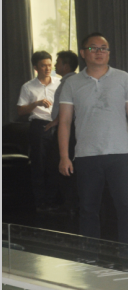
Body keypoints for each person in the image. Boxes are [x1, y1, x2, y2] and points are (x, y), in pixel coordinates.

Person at [58, 33, 128, 245]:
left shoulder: (123, 78)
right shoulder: (72, 83)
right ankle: (89, 256)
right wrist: (64, 156)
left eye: (104, 48)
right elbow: (64, 121)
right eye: (93, 48)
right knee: (87, 209)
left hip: (122, 154)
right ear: (83, 53)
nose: (99, 52)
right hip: (86, 155)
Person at [17, 51, 61, 212]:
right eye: (43, 66)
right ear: (36, 67)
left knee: (55, 164)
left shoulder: (59, 83)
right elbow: (20, 111)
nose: (48, 68)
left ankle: (53, 201)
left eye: (49, 65)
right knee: (39, 165)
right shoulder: (28, 86)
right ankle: (40, 202)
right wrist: (36, 103)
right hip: (39, 126)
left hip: (58, 125)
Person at [45, 50, 79, 214]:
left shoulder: (70, 82)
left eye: (57, 62)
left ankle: (69, 204)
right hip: (68, 127)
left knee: (62, 165)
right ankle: (68, 203)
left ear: (66, 65)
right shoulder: (68, 80)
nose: (55, 65)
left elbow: (69, 106)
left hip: (68, 128)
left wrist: (57, 121)